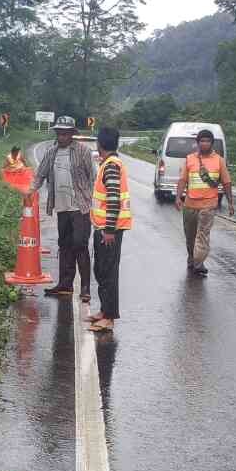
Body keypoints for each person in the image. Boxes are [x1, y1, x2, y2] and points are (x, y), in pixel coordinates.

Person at [30, 115, 96, 300]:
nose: (62, 137)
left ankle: (85, 288)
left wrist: (91, 198)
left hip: (79, 207)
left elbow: (93, 176)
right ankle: (65, 285)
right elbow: (40, 175)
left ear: (72, 134)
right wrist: (30, 190)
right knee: (64, 245)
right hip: (62, 208)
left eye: (66, 133)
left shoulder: (83, 152)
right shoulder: (51, 153)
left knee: (80, 245)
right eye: (59, 133)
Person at [86, 127, 132, 332]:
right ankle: (104, 311)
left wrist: (109, 230)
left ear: (100, 144)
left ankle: (109, 317)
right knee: (102, 270)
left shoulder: (111, 166)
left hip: (109, 229)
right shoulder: (108, 163)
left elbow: (113, 200)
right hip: (104, 227)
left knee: (108, 272)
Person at [174, 128, 233, 276]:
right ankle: (192, 259)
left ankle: (198, 263)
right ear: (197, 143)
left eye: (207, 141)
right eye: (202, 141)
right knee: (190, 236)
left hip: (208, 204)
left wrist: (230, 202)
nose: (205, 144)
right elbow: (183, 180)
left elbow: (226, 182)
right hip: (190, 204)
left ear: (212, 143)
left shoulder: (219, 160)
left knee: (202, 235)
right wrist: (178, 197)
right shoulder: (189, 159)